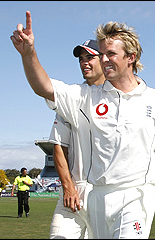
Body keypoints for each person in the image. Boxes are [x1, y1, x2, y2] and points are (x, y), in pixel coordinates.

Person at [11, 11, 155, 238]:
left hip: (136, 195)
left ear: (131, 57)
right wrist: (29, 54)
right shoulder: (86, 96)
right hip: (97, 196)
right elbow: (45, 88)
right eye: (102, 54)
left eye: (111, 53)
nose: (104, 59)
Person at [48, 39, 106, 238]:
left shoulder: (119, 98)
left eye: (90, 57)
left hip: (106, 195)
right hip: (74, 194)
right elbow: (59, 147)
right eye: (81, 59)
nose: (84, 63)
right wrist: (68, 187)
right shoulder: (72, 98)